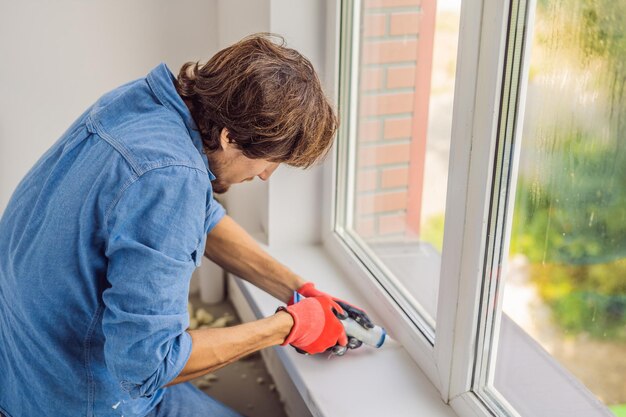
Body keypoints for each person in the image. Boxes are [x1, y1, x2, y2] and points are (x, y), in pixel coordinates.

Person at [0, 34, 372, 417]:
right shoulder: (171, 178)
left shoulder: (145, 105)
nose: (265, 176)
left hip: (25, 372)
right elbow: (146, 367)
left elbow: (201, 218)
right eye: (268, 161)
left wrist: (298, 289)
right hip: (82, 398)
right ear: (229, 138)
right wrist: (286, 327)